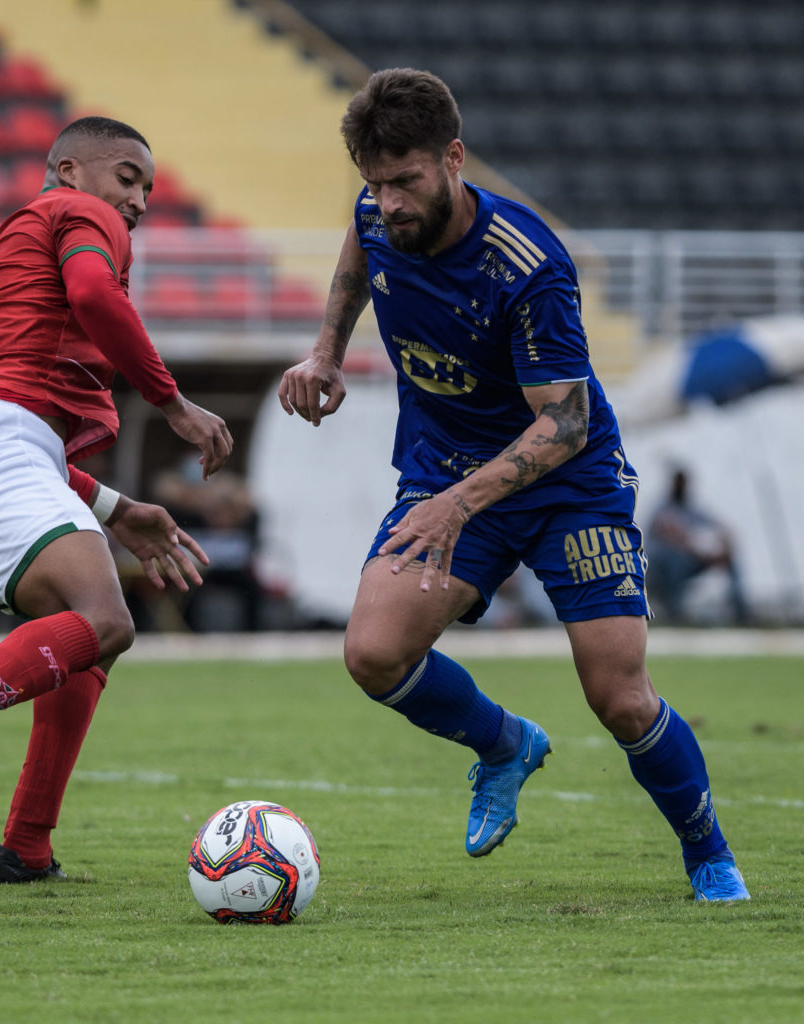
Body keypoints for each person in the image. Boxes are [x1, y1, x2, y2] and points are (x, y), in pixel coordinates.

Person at [278, 69, 748, 902]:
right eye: (374, 184)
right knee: (374, 653)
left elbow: (563, 426)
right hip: (445, 469)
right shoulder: (376, 214)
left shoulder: (526, 265)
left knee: (622, 698)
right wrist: (323, 350)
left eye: (406, 181)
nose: (387, 204)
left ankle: (707, 850)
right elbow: (357, 259)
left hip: (570, 483)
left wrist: (459, 502)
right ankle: (504, 744)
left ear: (454, 159)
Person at [0, 116, 233, 882]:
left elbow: (14, 422)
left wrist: (118, 508)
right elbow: (94, 294)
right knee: (104, 620)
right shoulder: (78, 214)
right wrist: (173, 403)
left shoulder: (17, 246)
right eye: (127, 176)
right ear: (67, 170)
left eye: (149, 189)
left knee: (81, 634)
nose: (139, 201)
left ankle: (27, 846)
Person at [647, 468, 748, 624]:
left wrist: (724, 544)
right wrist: (705, 555)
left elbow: (719, 525)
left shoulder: (692, 508)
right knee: (674, 561)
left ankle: (741, 612)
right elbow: (676, 537)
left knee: (730, 560)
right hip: (661, 567)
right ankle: (676, 614)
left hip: (691, 558)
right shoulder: (663, 508)